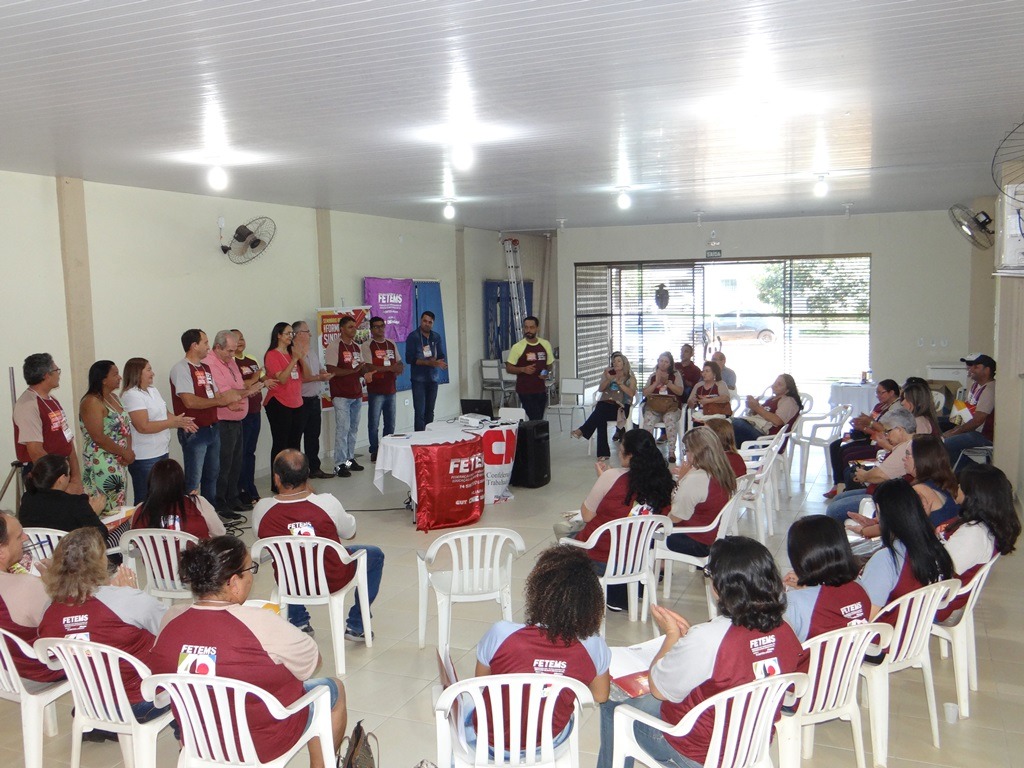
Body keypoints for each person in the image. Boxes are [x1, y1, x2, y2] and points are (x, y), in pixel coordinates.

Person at [596, 536, 803, 768]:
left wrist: (672, 637)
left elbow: (659, 690)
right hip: (751, 740)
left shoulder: (709, 639)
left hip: (698, 751)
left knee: (613, 704)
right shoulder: (786, 629)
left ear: (721, 587)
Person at [151, 536, 347, 768]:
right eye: (250, 569)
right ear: (234, 583)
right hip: (262, 741)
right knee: (333, 689)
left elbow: (160, 678)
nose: (252, 577)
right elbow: (312, 663)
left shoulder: (171, 619)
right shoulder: (261, 622)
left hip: (198, 737)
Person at [472, 544, 610, 753]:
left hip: (491, 742)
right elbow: (600, 696)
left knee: (464, 702)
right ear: (590, 600)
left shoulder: (501, 634)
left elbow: (481, 682)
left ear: (537, 592)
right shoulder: (593, 645)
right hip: (548, 741)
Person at [38, 528, 169, 732]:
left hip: (89, 703)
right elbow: (170, 630)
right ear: (100, 561)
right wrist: (130, 593)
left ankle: (101, 726)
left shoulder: (49, 610)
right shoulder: (127, 600)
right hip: (140, 703)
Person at [253, 450, 384, 640]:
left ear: (276, 478)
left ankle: (298, 621)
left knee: (290, 558)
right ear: (307, 474)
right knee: (374, 554)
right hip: (332, 579)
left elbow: (259, 536)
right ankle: (357, 624)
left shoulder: (261, 509)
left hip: (289, 582)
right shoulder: (327, 503)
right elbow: (350, 533)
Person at [554, 429, 674, 610]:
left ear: (630, 455)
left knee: (562, 531)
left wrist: (604, 479)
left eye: (621, 450)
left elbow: (587, 515)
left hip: (602, 556)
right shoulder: (664, 481)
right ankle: (624, 589)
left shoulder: (611, 478)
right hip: (638, 557)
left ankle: (582, 591)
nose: (618, 453)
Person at [857, 479, 955, 621]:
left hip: (885, 637)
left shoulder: (887, 560)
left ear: (880, 511)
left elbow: (865, 619)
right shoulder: (937, 547)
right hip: (915, 631)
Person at [937, 463, 1020, 622]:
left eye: (960, 485)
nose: (957, 488)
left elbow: (940, 570)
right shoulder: (984, 525)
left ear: (973, 494)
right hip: (941, 591)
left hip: (936, 602)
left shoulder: (973, 534)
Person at [170, 329, 243, 503]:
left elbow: (215, 395)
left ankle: (210, 516)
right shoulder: (181, 369)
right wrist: (220, 402)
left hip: (212, 428)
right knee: (194, 479)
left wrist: (228, 402)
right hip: (195, 431)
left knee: (212, 475)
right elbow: (190, 401)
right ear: (194, 346)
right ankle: (193, 519)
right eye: (205, 343)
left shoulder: (206, 367)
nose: (208, 347)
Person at [0, 513, 66, 685]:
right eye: (18, 536)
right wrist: (58, 584)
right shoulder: (25, 585)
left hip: (6, 671)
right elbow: (67, 625)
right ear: (1, 551)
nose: (26, 538)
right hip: (39, 670)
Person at [782, 516, 871, 643]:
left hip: (812, 663)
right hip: (852, 661)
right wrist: (808, 589)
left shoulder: (793, 603)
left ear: (799, 558)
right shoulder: (860, 586)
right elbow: (832, 606)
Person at [121, 357, 196, 504]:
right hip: (145, 457)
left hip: (161, 451)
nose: (152, 373)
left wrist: (181, 422)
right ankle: (143, 526)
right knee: (146, 499)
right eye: (148, 370)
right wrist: (172, 422)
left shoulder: (152, 390)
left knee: (162, 497)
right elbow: (143, 426)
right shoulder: (131, 395)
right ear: (137, 373)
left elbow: (165, 413)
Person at [824, 407, 917, 523]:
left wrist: (864, 475)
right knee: (838, 498)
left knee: (834, 510)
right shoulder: (908, 444)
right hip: (883, 492)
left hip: (888, 499)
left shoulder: (907, 448)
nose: (887, 436)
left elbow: (880, 475)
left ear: (899, 429)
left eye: (888, 431)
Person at [205, 330, 263, 514]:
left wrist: (245, 390)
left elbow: (238, 387)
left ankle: (233, 497)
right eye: (229, 351)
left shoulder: (230, 361)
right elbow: (227, 394)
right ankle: (221, 502)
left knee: (236, 463)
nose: (232, 355)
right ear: (218, 347)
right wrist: (247, 391)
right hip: (223, 421)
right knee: (224, 464)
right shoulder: (210, 363)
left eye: (233, 350)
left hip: (238, 420)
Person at [823, 378, 903, 499]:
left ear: (891, 393)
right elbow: (873, 421)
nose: (878, 396)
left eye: (881, 392)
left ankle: (846, 486)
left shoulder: (896, 410)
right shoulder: (881, 405)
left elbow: (884, 430)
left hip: (878, 442)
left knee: (847, 454)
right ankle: (838, 484)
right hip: (870, 436)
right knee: (836, 446)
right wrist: (862, 422)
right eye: (877, 393)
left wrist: (866, 426)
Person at [14, 353, 82, 492]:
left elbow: (68, 439)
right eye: (56, 371)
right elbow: (36, 451)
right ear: (46, 375)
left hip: (62, 471)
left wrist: (75, 478)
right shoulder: (28, 405)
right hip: (46, 477)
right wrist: (61, 484)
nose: (59, 374)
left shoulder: (52, 400)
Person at [665, 427, 737, 557]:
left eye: (686, 450)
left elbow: (675, 517)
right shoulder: (723, 471)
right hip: (714, 533)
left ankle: (660, 568)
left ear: (696, 452)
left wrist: (681, 480)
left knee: (646, 532)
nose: (685, 455)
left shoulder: (696, 479)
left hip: (698, 540)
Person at [79, 360, 134, 512]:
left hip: (120, 460)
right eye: (115, 374)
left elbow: (126, 427)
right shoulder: (91, 402)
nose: (120, 377)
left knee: (118, 505)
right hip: (102, 461)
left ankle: (117, 535)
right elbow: (98, 437)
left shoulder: (115, 398)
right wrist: (125, 452)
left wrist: (129, 451)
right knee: (105, 507)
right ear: (103, 379)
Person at [18, 454, 109, 542]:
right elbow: (101, 535)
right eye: (69, 473)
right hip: (71, 555)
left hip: (39, 553)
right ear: (61, 479)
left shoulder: (27, 499)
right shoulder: (76, 503)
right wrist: (93, 513)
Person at [130, 458, 226, 539]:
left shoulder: (140, 510)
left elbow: (134, 543)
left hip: (155, 561)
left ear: (152, 482)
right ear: (181, 481)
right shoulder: (198, 503)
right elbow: (220, 532)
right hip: (195, 560)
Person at [263, 322, 305, 492]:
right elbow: (282, 379)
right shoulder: (272, 355)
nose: (291, 336)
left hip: (297, 402)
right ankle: (277, 482)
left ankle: (295, 480)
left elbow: (302, 377)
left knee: (295, 444)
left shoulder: (291, 354)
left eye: (292, 334)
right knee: (281, 444)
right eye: (288, 333)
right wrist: (294, 359)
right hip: (279, 403)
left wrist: (298, 357)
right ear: (278, 335)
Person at [571, 352, 637, 461]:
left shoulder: (630, 377)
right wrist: (608, 379)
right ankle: (602, 453)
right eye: (614, 361)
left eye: (618, 361)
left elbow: (631, 393)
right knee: (600, 414)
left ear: (624, 363)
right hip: (606, 405)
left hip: (621, 407)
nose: (615, 363)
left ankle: (584, 432)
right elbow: (601, 389)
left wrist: (620, 384)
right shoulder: (608, 374)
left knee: (600, 411)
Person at [327, 316, 367, 477]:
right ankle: (339, 463)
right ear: (342, 329)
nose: (354, 330)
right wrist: (354, 371)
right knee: (342, 429)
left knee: (353, 429)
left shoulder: (357, 347)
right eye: (350, 327)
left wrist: (367, 372)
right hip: (341, 395)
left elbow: (361, 369)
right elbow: (332, 370)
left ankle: (350, 459)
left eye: (355, 327)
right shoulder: (334, 346)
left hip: (356, 393)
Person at [294, 320, 335, 479]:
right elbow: (300, 378)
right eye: (307, 331)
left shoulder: (311, 350)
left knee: (313, 436)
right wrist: (319, 377)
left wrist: (324, 374)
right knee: (297, 437)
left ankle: (314, 468)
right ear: (298, 334)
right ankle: (297, 472)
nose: (310, 334)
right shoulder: (293, 353)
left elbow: (319, 369)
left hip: (314, 399)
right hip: (300, 400)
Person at [232, 329, 269, 505]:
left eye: (242, 338)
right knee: (240, 454)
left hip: (255, 410)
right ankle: (242, 490)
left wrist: (260, 379)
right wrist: (256, 379)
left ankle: (251, 487)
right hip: (241, 413)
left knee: (249, 452)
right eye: (236, 339)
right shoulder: (231, 362)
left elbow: (263, 379)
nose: (240, 341)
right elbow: (242, 385)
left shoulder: (252, 359)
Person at [361, 315, 404, 462]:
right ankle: (374, 449)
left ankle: (388, 447)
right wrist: (391, 368)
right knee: (374, 423)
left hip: (391, 388)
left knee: (390, 422)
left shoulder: (391, 343)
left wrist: (399, 368)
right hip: (376, 389)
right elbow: (369, 366)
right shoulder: (367, 345)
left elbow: (399, 362)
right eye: (377, 326)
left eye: (382, 326)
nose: (381, 329)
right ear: (372, 329)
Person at [943, 353, 995, 471]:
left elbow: (977, 421)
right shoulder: (975, 385)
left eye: (975, 367)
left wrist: (953, 432)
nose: (970, 369)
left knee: (942, 445)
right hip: (970, 426)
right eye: (969, 365)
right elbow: (965, 410)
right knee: (938, 424)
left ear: (987, 370)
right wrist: (953, 428)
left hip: (982, 434)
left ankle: (973, 472)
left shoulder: (990, 389)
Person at [505, 315, 554, 422]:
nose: (528, 330)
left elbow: (549, 364)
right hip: (525, 390)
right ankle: (534, 438)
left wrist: (545, 373)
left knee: (538, 418)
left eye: (531, 327)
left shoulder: (545, 344)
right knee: (535, 417)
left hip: (540, 389)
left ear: (537, 328)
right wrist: (523, 369)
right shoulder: (517, 347)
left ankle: (536, 438)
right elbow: (509, 368)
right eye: (526, 327)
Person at [731, 373, 802, 447]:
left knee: (734, 424)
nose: (775, 385)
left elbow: (778, 421)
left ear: (787, 390)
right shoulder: (771, 399)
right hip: (756, 428)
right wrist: (753, 407)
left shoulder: (788, 401)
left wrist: (756, 407)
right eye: (775, 383)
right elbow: (759, 415)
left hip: (767, 437)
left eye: (779, 384)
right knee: (725, 427)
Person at [405, 310, 447, 431]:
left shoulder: (436, 337)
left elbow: (441, 355)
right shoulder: (413, 337)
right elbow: (409, 359)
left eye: (430, 322)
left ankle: (428, 438)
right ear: (420, 321)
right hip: (418, 380)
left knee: (430, 411)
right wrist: (429, 362)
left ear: (433, 323)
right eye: (425, 321)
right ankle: (418, 440)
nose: (427, 324)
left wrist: (440, 362)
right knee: (419, 412)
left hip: (433, 379)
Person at [640, 352, 684, 461]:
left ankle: (671, 451)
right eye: (661, 361)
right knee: (648, 418)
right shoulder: (653, 376)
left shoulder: (675, 375)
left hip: (671, 408)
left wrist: (668, 383)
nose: (663, 364)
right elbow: (645, 393)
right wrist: (656, 382)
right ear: (658, 361)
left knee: (669, 419)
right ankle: (647, 451)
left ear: (670, 364)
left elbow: (680, 392)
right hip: (655, 408)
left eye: (666, 362)